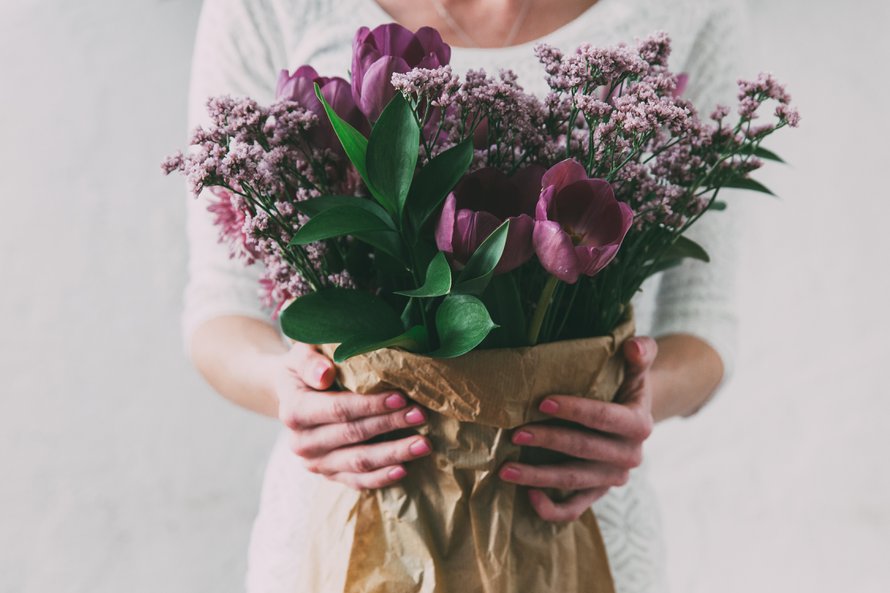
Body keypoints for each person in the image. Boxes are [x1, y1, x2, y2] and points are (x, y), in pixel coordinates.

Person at [183, 0, 746, 590]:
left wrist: (623, 411)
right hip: (353, 524)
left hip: (569, 520)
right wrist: (290, 389)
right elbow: (221, 309)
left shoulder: (691, 10)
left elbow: (707, 324)